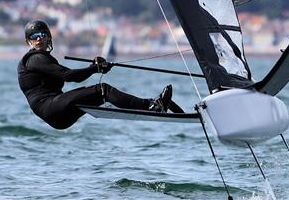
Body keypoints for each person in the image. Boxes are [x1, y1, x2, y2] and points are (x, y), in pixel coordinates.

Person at [17, 20, 182, 130]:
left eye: (42, 35)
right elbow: (69, 76)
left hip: (57, 115)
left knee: (101, 95)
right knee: (102, 90)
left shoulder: (42, 59)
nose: (38, 40)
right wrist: (94, 68)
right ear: (28, 41)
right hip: (51, 109)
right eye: (33, 37)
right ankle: (152, 106)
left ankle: (155, 105)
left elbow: (72, 76)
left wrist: (95, 67)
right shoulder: (35, 59)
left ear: (48, 38)